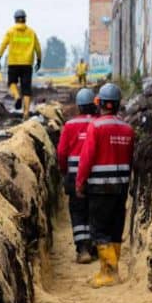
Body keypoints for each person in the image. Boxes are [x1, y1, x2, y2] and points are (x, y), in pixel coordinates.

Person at [75, 83, 135, 288]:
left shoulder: (96, 126)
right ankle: (113, 270)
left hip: (100, 189)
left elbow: (87, 157)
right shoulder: (128, 128)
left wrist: (80, 182)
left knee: (100, 231)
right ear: (118, 105)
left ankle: (108, 272)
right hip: (121, 187)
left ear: (99, 103)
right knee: (115, 229)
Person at [57, 88, 99, 263]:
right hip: (98, 177)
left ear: (79, 107)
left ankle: (82, 249)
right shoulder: (99, 123)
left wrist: (64, 171)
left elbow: (61, 152)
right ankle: (94, 245)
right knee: (94, 210)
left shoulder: (70, 125)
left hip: (74, 175)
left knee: (78, 211)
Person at [0, 9, 41, 120]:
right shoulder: (31, 32)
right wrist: (39, 60)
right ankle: (25, 114)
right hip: (27, 64)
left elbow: (3, 44)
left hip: (13, 63)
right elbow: (38, 47)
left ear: (15, 19)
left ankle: (17, 96)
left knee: (12, 82)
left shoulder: (10, 31)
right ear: (25, 19)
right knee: (26, 89)